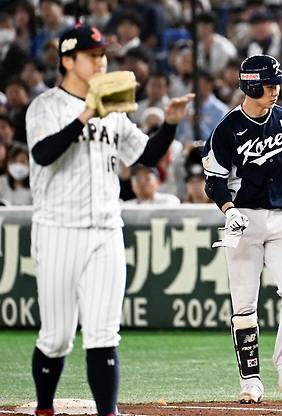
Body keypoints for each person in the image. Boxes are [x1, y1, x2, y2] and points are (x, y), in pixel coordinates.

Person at [25, 25, 193, 416]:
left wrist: (169, 124)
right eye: (91, 55)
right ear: (67, 60)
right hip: (57, 229)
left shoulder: (115, 111)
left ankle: (108, 413)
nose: (101, 61)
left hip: (105, 230)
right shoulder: (46, 106)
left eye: (103, 55)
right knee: (57, 336)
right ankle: (45, 407)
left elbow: (147, 156)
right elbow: (44, 154)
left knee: (103, 332)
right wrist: (87, 113)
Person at [202, 54, 282, 404]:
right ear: (251, 84)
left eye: (276, 84)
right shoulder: (228, 128)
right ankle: (250, 379)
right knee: (244, 305)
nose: (275, 90)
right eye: (270, 84)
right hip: (243, 218)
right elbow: (213, 182)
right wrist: (228, 211)